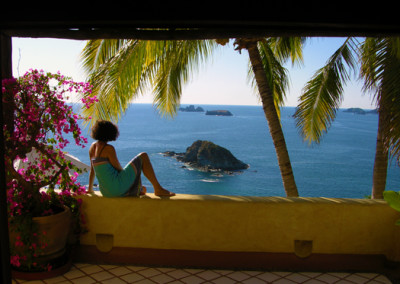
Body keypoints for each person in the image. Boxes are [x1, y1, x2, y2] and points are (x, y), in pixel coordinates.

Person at [88, 120, 175, 197]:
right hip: (116, 188)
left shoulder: (92, 147)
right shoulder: (109, 149)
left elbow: (92, 170)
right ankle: (158, 189)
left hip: (105, 192)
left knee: (142, 188)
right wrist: (132, 178)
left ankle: (138, 189)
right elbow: (118, 168)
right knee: (143, 156)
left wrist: (90, 189)